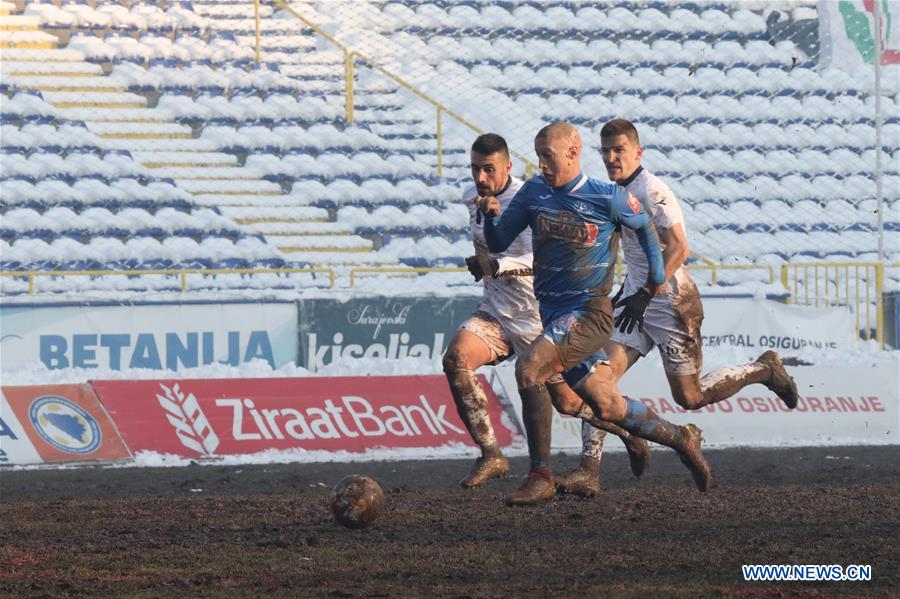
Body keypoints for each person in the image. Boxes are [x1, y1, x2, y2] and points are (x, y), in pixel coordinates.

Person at [555, 118, 800, 497]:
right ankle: (590, 470)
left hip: (671, 302)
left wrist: (646, 292)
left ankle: (764, 369)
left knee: (689, 398)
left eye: (618, 150)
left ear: (638, 152)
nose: (611, 157)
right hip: (635, 303)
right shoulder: (613, 193)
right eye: (605, 151)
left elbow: (680, 248)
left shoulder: (652, 190)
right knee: (597, 383)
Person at [478, 122, 714, 504]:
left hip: (588, 313)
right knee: (605, 405)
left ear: (573, 152)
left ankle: (540, 475)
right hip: (553, 314)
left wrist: (654, 280)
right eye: (538, 157)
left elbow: (645, 228)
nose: (542, 165)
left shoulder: (607, 197)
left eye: (548, 156)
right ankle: (681, 438)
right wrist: (490, 215)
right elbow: (499, 242)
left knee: (529, 368)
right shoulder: (535, 192)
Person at [444, 133, 650, 505]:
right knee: (456, 358)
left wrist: (499, 264)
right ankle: (492, 455)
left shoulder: (532, 199)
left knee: (570, 403)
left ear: (507, 167)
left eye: (488, 169)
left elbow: (541, 259)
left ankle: (627, 429)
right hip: (496, 312)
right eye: (475, 169)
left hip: (539, 316)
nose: (480, 177)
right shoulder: (473, 198)